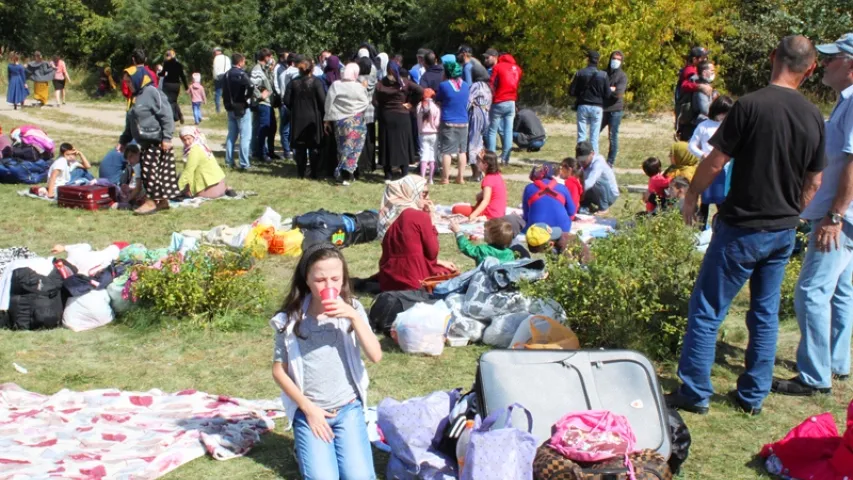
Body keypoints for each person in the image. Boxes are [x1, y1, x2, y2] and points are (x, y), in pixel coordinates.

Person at [667, 35, 826, 416]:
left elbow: (716, 160)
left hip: (741, 228)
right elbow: (815, 182)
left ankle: (694, 393)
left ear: (773, 57)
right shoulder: (814, 116)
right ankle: (752, 396)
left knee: (707, 310)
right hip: (782, 231)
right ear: (811, 69)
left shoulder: (750, 105)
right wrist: (793, 212)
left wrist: (692, 195)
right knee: (765, 314)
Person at [772, 34, 853, 397]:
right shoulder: (844, 102)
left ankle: (814, 377)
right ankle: (835, 362)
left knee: (811, 292)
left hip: (841, 218)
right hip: (844, 215)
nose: (823, 64)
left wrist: (834, 215)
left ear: (850, 65)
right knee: (841, 292)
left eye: (833, 59)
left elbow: (852, 163)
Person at [271, 244, 381, 480]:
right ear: (307, 280)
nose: (329, 286)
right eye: (320, 280)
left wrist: (353, 316)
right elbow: (279, 371)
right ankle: (304, 448)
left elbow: (376, 355)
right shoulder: (290, 319)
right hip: (311, 410)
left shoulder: (353, 309)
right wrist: (308, 409)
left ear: (344, 279)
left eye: (335, 279)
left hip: (348, 407)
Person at [118, 65, 179, 215]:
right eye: (127, 83)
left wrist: (167, 137)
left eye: (130, 82)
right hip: (144, 142)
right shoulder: (135, 96)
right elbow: (130, 121)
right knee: (151, 173)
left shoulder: (152, 92)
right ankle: (162, 202)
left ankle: (151, 202)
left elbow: (166, 115)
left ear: (138, 79)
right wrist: (124, 140)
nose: (128, 85)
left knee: (151, 174)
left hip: (156, 141)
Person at [378, 175, 457, 291]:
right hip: (414, 281)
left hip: (388, 280)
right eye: (424, 194)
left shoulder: (387, 215)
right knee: (451, 272)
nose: (428, 198)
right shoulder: (419, 216)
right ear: (411, 192)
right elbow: (432, 252)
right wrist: (432, 221)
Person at [689, 95, 735, 228]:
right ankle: (701, 228)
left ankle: (723, 227)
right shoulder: (704, 126)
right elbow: (692, 145)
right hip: (707, 167)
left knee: (723, 201)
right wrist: (702, 155)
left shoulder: (729, 126)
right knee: (705, 201)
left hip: (724, 168)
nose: (724, 116)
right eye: (723, 113)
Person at [375, 61, 423, 181]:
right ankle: (404, 172)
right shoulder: (404, 82)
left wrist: (383, 107)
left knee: (387, 144)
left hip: (387, 117)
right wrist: (411, 104)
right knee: (403, 144)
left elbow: (374, 101)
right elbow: (420, 90)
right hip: (402, 116)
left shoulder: (380, 84)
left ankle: (388, 174)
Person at [324, 63, 368, 185]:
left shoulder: (336, 85)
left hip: (340, 120)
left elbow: (329, 103)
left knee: (342, 148)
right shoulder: (359, 87)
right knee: (354, 148)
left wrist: (327, 119)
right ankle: (349, 173)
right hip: (357, 121)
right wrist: (354, 110)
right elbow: (365, 102)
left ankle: (342, 173)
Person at [285, 57, 326, 179]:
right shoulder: (316, 82)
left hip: (298, 116)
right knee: (313, 145)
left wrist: (294, 106)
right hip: (313, 117)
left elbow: (286, 100)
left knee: (300, 146)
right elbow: (323, 101)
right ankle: (313, 172)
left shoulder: (293, 83)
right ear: (311, 69)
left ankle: (300, 172)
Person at [569, 50, 609, 154]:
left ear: (588, 59)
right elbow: (607, 94)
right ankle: (594, 159)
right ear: (598, 61)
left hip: (583, 106)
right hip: (597, 107)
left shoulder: (580, 73)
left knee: (581, 135)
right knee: (594, 137)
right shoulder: (603, 75)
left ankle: (580, 158)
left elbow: (571, 91)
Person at [437, 61, 470, 184]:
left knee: (447, 151)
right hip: (464, 121)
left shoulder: (443, 85)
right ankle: (460, 177)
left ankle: (445, 178)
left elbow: (439, 99)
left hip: (448, 121)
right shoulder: (466, 85)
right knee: (462, 151)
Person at [487, 52, 522, 165]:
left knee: (492, 131)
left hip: (498, 101)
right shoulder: (517, 69)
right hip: (511, 101)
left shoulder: (497, 67)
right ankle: (505, 159)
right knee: (508, 131)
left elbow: (491, 84)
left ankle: (491, 159)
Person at [451, 151, 507, 221]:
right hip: (499, 212)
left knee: (456, 209)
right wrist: (480, 195)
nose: (476, 163)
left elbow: (485, 201)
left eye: (478, 161)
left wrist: (473, 215)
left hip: (489, 214)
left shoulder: (488, 179)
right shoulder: (497, 175)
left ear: (486, 165)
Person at [522, 163, 577, 233]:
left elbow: (526, 215)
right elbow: (571, 211)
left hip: (537, 229)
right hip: (561, 229)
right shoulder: (563, 188)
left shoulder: (529, 188)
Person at [176, 126, 228, 199]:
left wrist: (176, 189)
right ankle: (227, 188)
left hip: (209, 188)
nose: (187, 142)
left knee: (181, 179)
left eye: (189, 138)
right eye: (184, 140)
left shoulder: (194, 150)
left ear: (194, 136)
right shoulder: (201, 144)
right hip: (220, 183)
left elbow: (188, 171)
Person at [223, 53, 255, 170]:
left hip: (230, 108)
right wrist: (247, 97)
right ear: (240, 62)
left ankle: (229, 161)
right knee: (245, 136)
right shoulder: (241, 74)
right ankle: (244, 163)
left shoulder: (226, 74)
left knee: (231, 135)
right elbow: (251, 86)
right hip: (241, 107)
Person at [675, 47, 713, 140]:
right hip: (690, 113)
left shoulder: (693, 68)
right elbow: (684, 85)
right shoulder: (690, 70)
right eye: (703, 57)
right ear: (694, 59)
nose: (706, 59)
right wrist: (700, 86)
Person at [467, 57, 493, 180]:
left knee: (473, 143)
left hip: (476, 115)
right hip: (486, 115)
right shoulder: (487, 87)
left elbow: (468, 101)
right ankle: (482, 171)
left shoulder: (476, 86)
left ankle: (476, 173)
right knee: (480, 144)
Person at [450, 217, 516, 265]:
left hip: (483, 281)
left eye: (486, 231)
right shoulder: (510, 253)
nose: (483, 232)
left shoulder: (483, 250)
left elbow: (466, 248)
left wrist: (458, 232)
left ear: (492, 237)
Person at [577, 141, 620, 214]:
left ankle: (604, 208)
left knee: (596, 182)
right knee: (580, 181)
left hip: (610, 195)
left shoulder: (598, 162)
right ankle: (585, 206)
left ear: (592, 154)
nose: (582, 162)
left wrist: (576, 189)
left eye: (584, 159)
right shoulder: (580, 162)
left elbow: (590, 182)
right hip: (594, 192)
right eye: (580, 160)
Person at [601, 51, 627, 166]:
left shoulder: (622, 76)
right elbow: (598, 90)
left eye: (618, 59)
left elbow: (618, 94)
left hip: (615, 110)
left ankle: (610, 162)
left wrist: (609, 90)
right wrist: (610, 89)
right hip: (602, 109)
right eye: (614, 58)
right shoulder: (603, 74)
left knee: (612, 137)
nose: (615, 61)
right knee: (593, 133)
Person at [251, 48, 276, 162]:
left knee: (270, 127)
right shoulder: (257, 69)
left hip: (268, 103)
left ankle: (268, 152)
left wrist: (271, 70)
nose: (271, 59)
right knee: (263, 128)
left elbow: (270, 83)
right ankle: (261, 153)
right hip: (263, 103)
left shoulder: (264, 69)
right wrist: (260, 96)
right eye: (270, 57)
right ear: (266, 57)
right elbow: (253, 84)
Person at [279, 53, 302, 161]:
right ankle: (296, 152)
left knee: (284, 130)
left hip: (285, 103)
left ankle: (287, 152)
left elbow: (281, 89)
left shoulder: (283, 74)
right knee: (296, 129)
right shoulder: (298, 73)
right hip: (297, 105)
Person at [356, 57, 378, 174]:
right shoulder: (374, 79)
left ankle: (361, 164)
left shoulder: (356, 80)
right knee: (371, 139)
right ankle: (371, 164)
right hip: (372, 111)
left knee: (360, 139)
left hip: (360, 111)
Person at [417, 88, 440, 183]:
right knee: (432, 156)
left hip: (422, 134)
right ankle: (430, 178)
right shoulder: (436, 108)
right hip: (433, 134)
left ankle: (422, 177)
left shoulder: (419, 107)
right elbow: (437, 123)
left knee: (423, 155)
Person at [159, 50, 188, 125]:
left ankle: (171, 119)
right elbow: (182, 76)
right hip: (176, 85)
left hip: (168, 84)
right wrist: (186, 87)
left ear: (167, 56)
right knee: (174, 101)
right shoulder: (179, 64)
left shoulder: (166, 63)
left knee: (168, 101)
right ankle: (179, 115)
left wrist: (158, 74)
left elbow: (163, 73)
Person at [212, 47, 231, 114]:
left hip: (219, 77)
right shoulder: (227, 58)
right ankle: (229, 108)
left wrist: (215, 78)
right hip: (227, 76)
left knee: (218, 94)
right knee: (228, 93)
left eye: (213, 53)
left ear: (216, 52)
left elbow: (215, 69)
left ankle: (218, 111)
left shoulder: (216, 58)